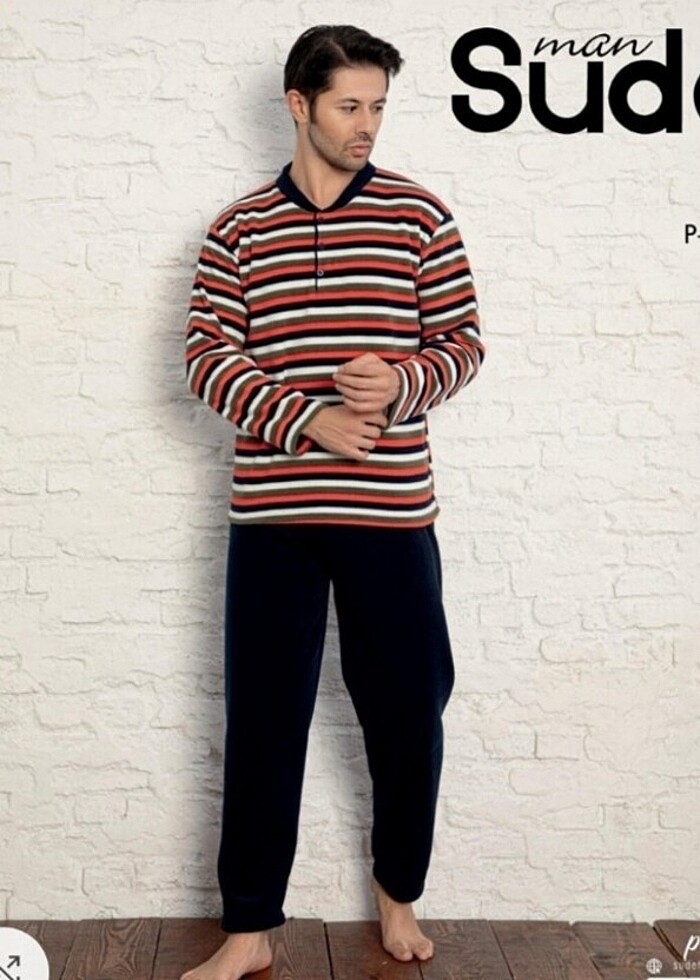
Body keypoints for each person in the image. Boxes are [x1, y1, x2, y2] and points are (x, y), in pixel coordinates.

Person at [181, 23, 486, 980]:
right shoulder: (239, 229)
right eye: (349, 105)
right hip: (274, 520)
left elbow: (463, 344)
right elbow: (205, 359)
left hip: (391, 517)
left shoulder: (419, 217)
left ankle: (399, 897)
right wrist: (306, 419)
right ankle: (249, 929)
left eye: (379, 106)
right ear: (298, 105)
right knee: (262, 722)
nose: (367, 125)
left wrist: (400, 384)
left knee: (407, 713)